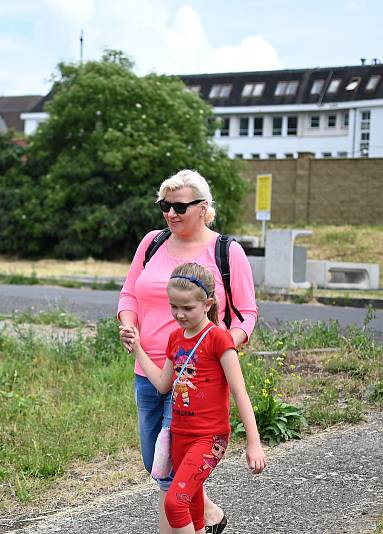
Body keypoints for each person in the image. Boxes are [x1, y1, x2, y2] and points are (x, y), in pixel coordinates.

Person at [118, 169, 258, 533]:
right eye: (165, 206)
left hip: (198, 377)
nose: (171, 213)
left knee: (171, 479)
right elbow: (129, 293)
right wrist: (128, 323)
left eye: (180, 206)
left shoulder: (227, 251)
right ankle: (209, 515)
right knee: (156, 463)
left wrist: (220, 345)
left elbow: (247, 313)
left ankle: (187, 523)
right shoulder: (152, 243)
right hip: (150, 371)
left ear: (204, 207)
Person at [124, 262, 267, 533]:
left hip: (209, 438)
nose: (179, 314)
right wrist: (138, 348)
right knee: (193, 508)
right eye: (173, 307)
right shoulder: (175, 338)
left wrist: (254, 443)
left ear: (207, 303)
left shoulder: (219, 340)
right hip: (180, 435)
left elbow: (240, 392)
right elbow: (163, 384)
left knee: (175, 503)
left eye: (187, 308)